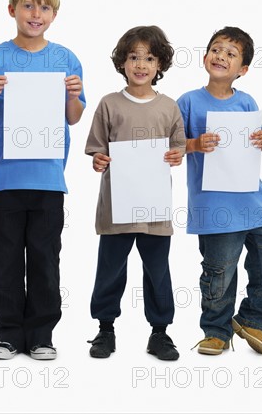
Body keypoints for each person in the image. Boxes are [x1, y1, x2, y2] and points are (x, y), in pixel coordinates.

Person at [0, 0, 85, 360]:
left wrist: (72, 96)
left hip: (49, 178)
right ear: (12, 10)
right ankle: (7, 334)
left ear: (55, 14)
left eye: (45, 7)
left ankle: (41, 335)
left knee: (44, 258)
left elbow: (74, 117)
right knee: (3, 258)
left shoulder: (66, 59)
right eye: (29, 6)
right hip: (5, 179)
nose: (36, 14)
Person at [177, 26, 262, 355]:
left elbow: (255, 138)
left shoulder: (247, 102)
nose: (221, 56)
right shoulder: (189, 102)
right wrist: (194, 143)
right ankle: (216, 330)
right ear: (205, 56)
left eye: (231, 53)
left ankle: (253, 320)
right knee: (220, 270)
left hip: (253, 200)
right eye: (216, 49)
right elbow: (170, 147)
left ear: (243, 70)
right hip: (215, 205)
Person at [85, 26, 185, 361]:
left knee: (158, 271)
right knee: (110, 269)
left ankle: (160, 333)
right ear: (122, 62)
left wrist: (177, 155)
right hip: (116, 208)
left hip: (155, 209)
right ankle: (105, 328)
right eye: (133, 57)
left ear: (160, 65)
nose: (140, 64)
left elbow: (178, 148)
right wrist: (99, 160)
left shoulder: (169, 107)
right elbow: (98, 151)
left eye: (149, 58)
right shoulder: (109, 104)